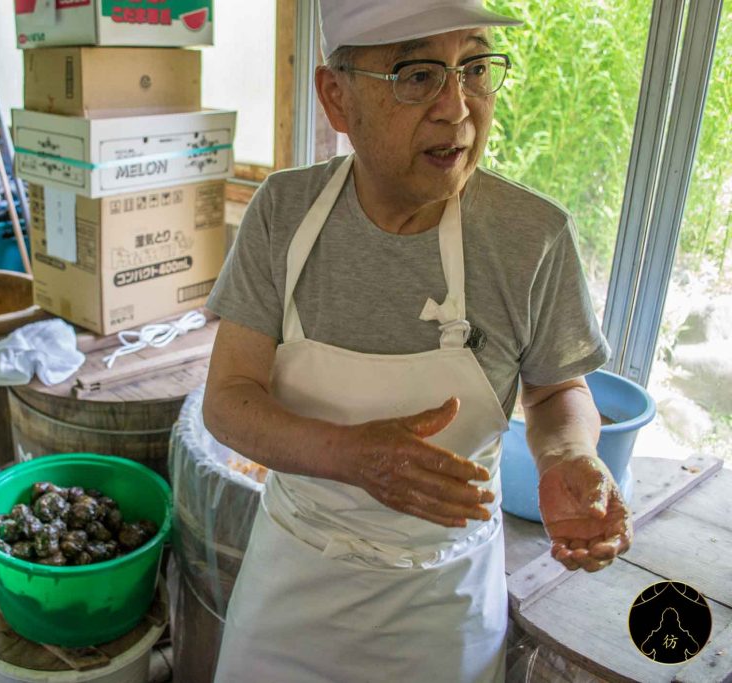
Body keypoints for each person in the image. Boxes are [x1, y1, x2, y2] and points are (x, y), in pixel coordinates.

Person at [201, 1, 634, 681]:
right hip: (293, 583)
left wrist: (571, 454)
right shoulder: (283, 215)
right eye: (417, 73)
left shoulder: (531, 237)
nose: (457, 108)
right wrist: (353, 455)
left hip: (443, 605)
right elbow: (227, 400)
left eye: (476, 66)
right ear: (336, 97)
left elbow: (555, 390)